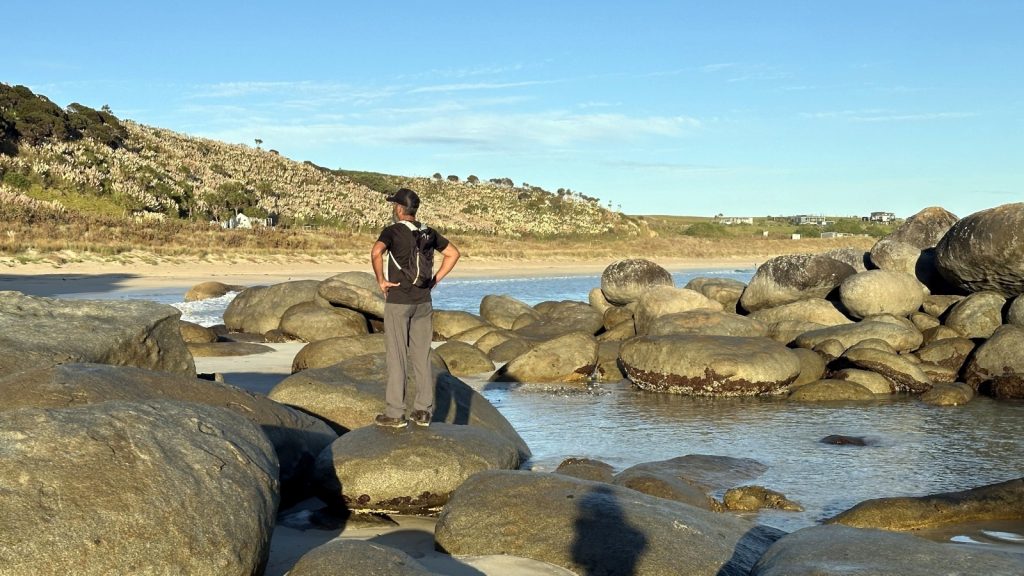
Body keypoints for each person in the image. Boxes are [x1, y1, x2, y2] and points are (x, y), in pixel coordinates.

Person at [370, 188, 460, 427]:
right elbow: (453, 254)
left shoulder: (392, 231)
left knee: (397, 357)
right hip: (423, 302)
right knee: (422, 357)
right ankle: (423, 412)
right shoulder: (429, 232)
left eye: (394, 205)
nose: (394, 209)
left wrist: (381, 280)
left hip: (398, 301)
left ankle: (395, 413)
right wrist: (435, 280)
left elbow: (376, 252)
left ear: (400, 209)